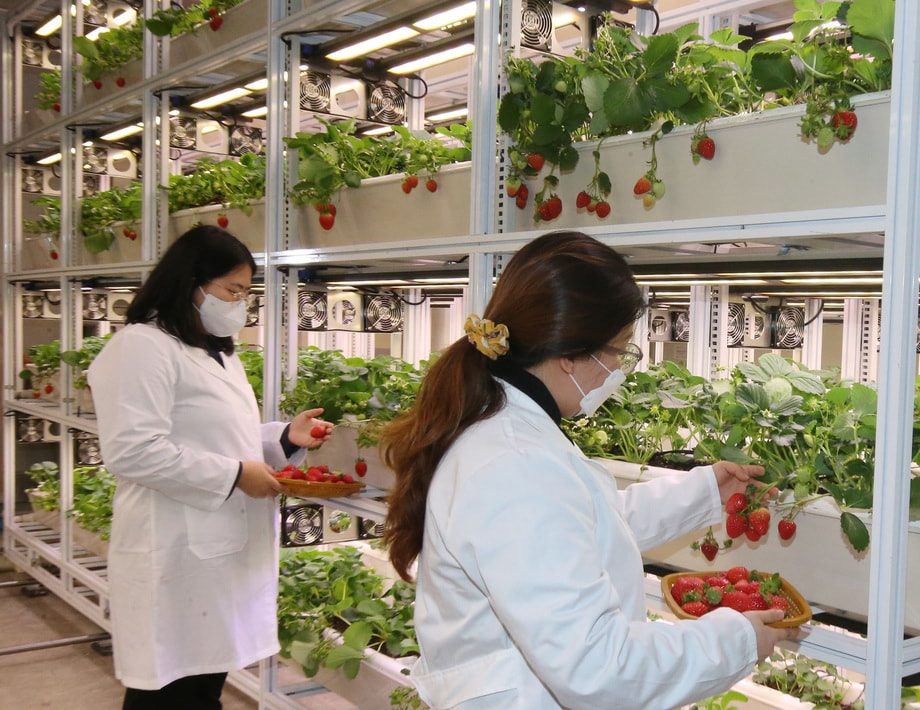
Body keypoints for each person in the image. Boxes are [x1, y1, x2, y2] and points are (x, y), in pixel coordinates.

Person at [380, 230, 800, 709]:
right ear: (571, 355)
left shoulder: (505, 430)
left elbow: (578, 526)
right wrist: (736, 641)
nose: (620, 370)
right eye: (620, 351)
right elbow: (599, 670)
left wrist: (705, 491)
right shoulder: (516, 466)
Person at [88, 226, 334, 709]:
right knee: (167, 694)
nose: (240, 304)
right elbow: (132, 450)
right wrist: (235, 476)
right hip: (172, 550)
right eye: (233, 290)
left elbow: (224, 439)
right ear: (192, 284)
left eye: (246, 293)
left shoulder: (215, 351)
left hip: (218, 555)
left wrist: (284, 438)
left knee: (202, 691)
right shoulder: (142, 347)